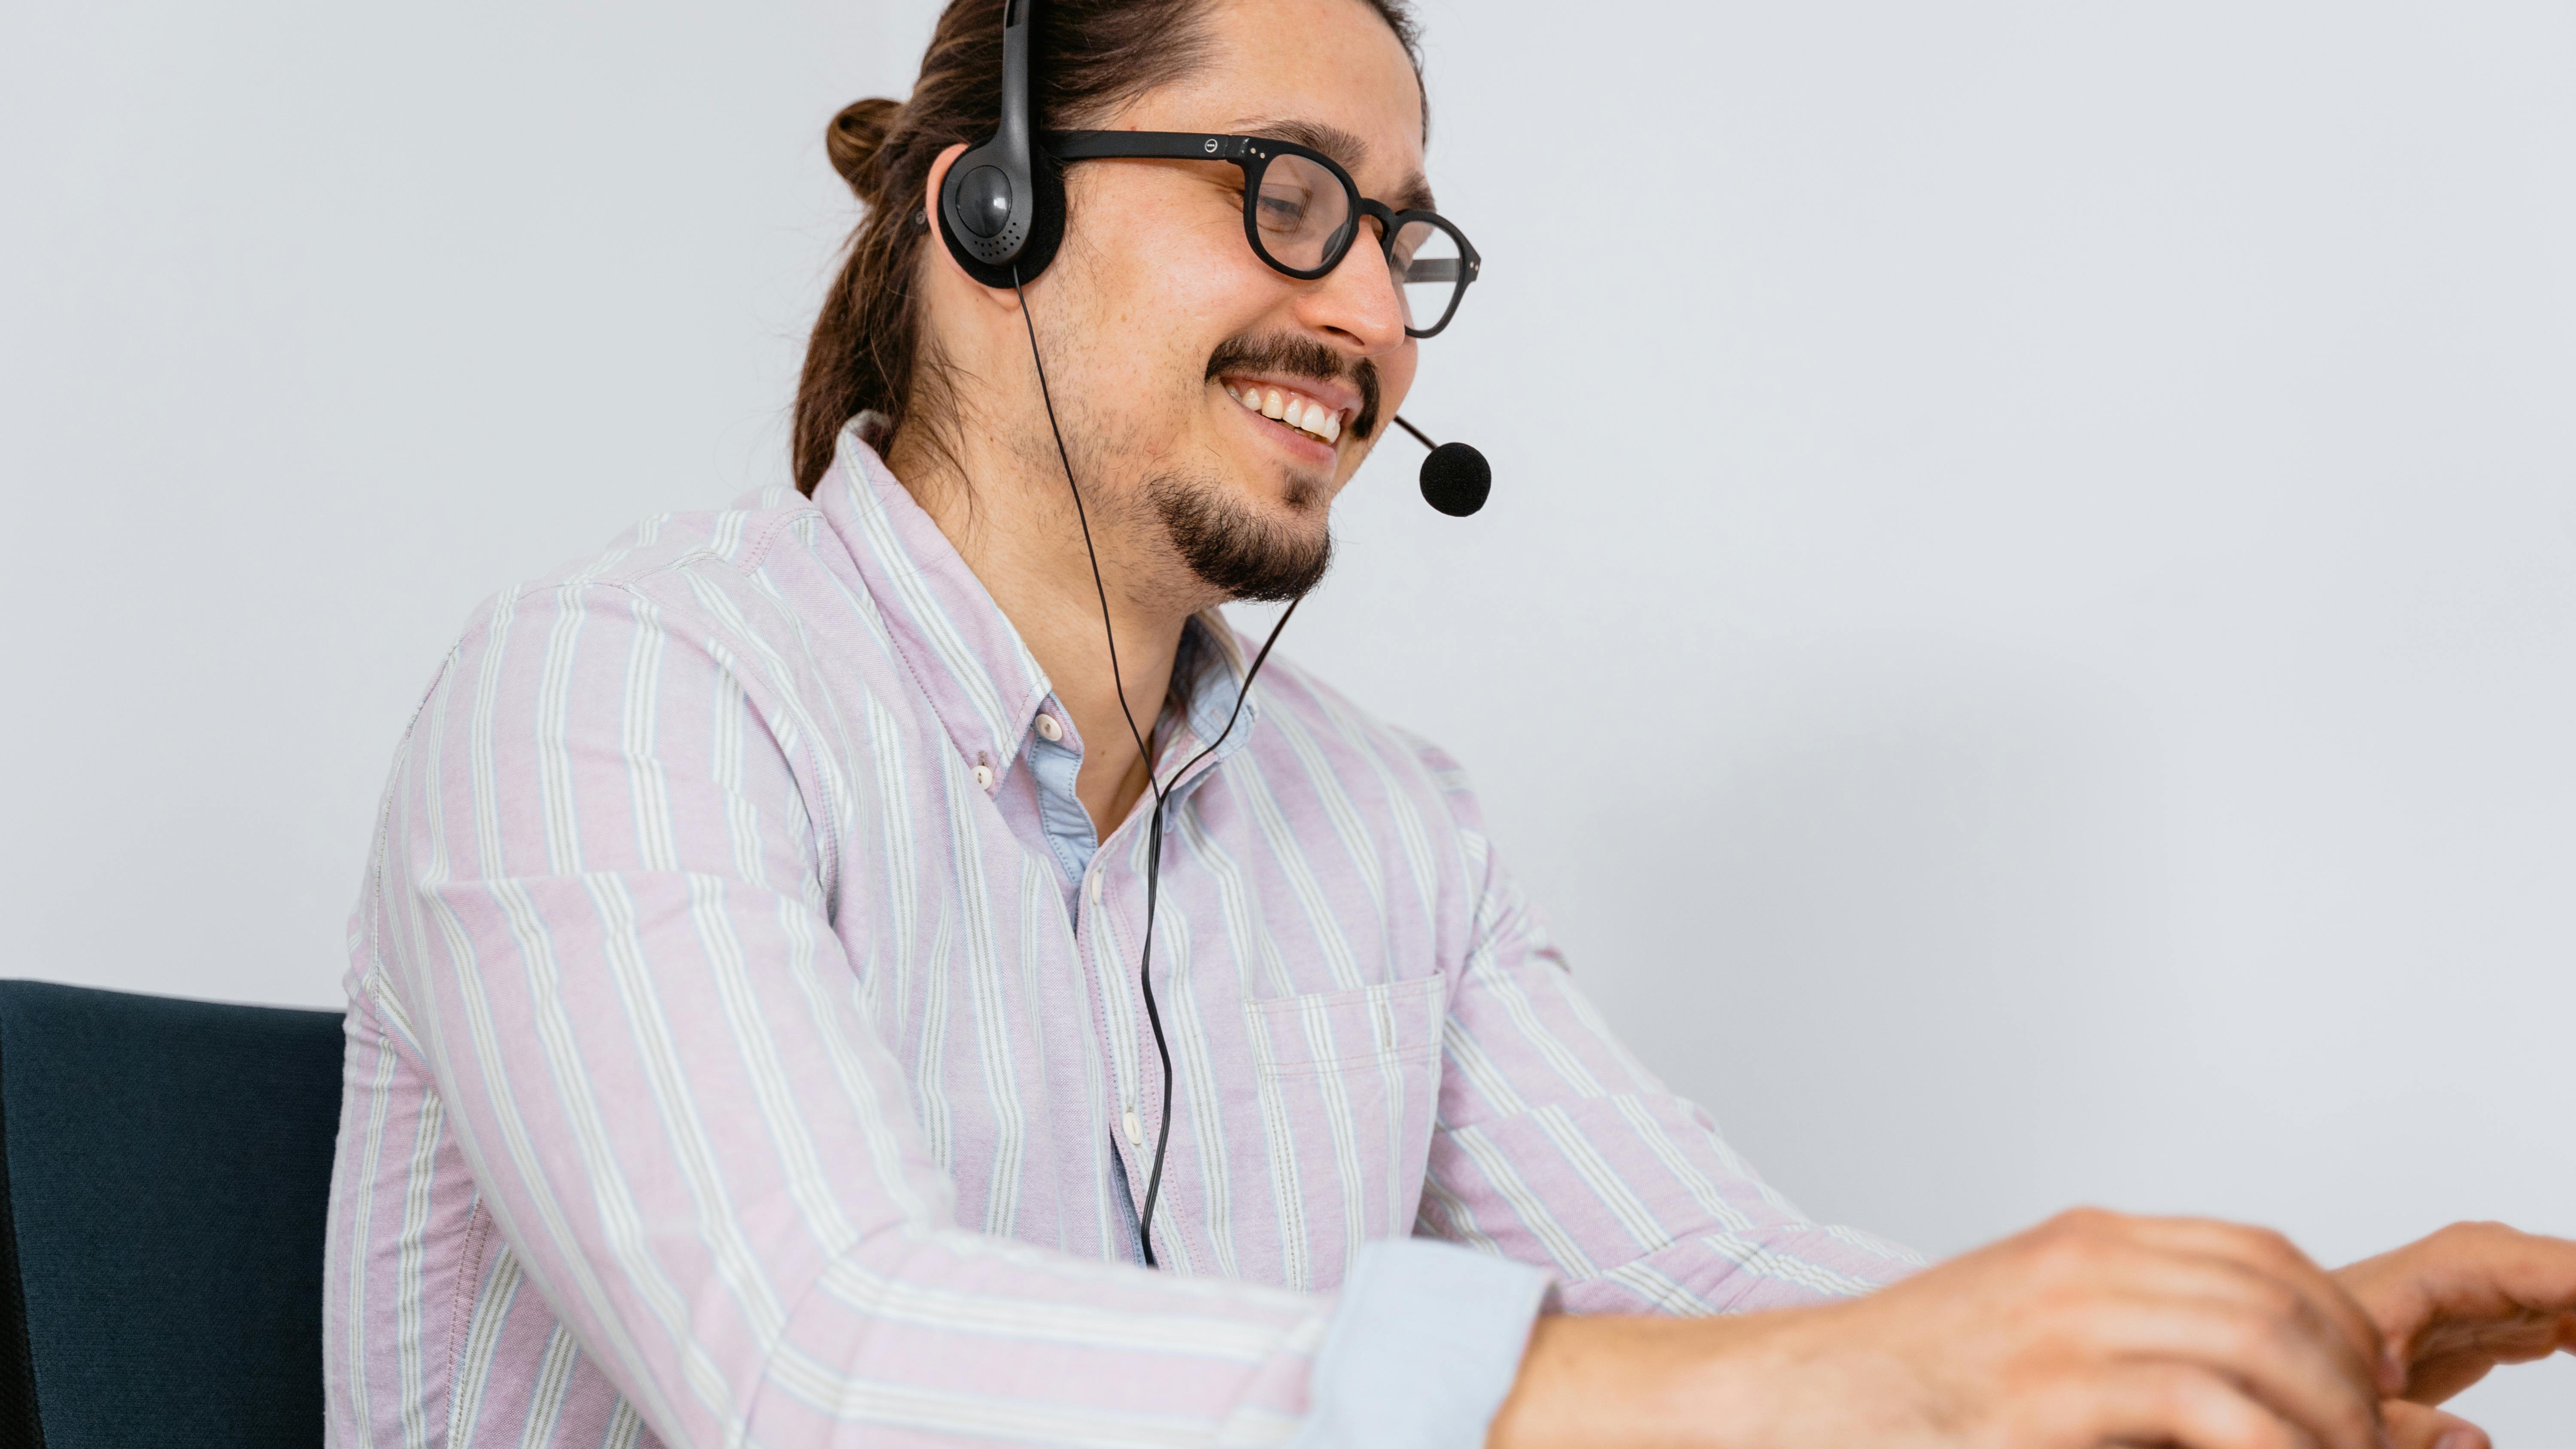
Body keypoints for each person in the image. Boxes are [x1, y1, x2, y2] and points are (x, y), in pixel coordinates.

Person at [322, 0, 2576, 1445]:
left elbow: (1705, 1284)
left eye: (1400, 242)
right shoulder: (620, 703)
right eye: (1287, 196)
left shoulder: (1384, 825)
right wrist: (1872, 1381)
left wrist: (2174, 1379)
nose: (1368, 317)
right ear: (986, 213)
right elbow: (827, 1364)